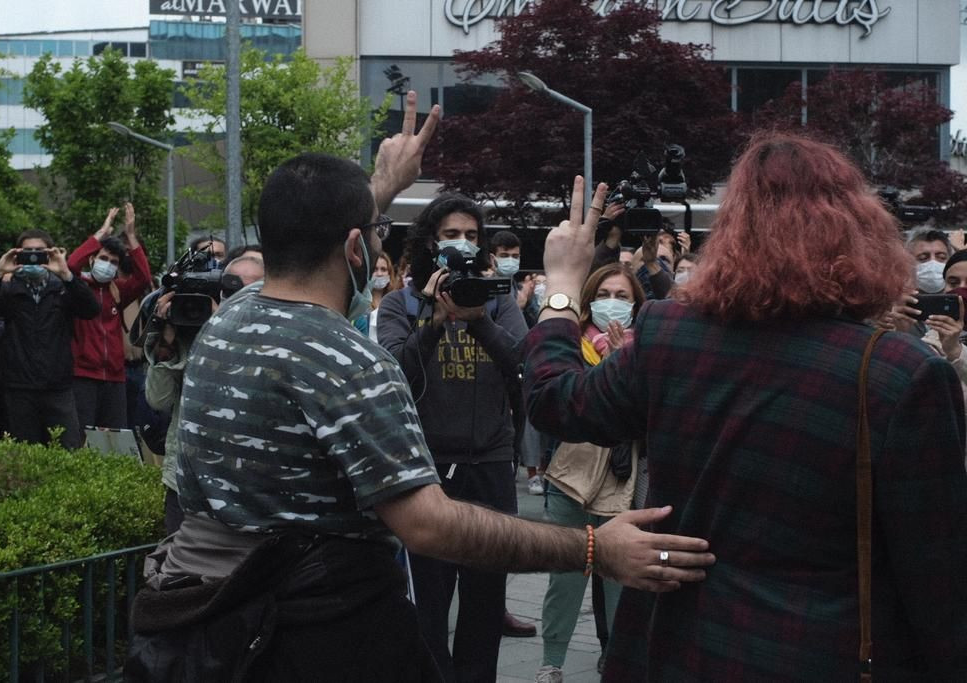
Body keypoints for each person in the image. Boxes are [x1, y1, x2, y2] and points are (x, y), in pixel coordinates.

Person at [125, 92, 715, 682]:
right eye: (373, 237)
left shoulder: (229, 321)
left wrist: (379, 185)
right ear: (357, 247)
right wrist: (592, 549)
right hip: (311, 637)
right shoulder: (350, 359)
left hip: (205, 621)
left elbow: (328, 238)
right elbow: (428, 524)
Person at [523, 133, 967, 681]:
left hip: (672, 649)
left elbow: (554, 399)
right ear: (859, 232)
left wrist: (562, 288)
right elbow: (938, 580)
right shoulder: (899, 373)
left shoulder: (667, 335)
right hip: (818, 652)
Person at [377, 192, 530, 681]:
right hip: (427, 470)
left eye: (470, 236)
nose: (462, 244)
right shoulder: (402, 304)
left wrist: (479, 320)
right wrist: (434, 321)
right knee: (429, 603)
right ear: (430, 242)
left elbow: (523, 365)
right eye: (450, 235)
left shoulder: (498, 299)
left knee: (486, 603)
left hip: (489, 462)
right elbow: (396, 373)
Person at [534, 262, 646, 683]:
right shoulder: (570, 347)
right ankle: (551, 663)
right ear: (588, 301)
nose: (612, 305)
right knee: (565, 577)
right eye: (604, 295)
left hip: (622, 480)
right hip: (571, 478)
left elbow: (646, 414)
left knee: (621, 579)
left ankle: (618, 662)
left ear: (637, 306)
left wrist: (624, 365)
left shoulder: (647, 352)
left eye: (622, 297)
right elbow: (559, 404)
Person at [143, 253, 265, 536]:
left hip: (247, 486)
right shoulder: (191, 330)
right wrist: (166, 341)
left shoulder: (276, 335)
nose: (237, 299)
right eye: (231, 291)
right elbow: (158, 400)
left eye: (249, 290)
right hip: (185, 481)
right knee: (180, 576)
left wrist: (221, 326)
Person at [0, 230, 100, 449]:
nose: (33, 257)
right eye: (27, 252)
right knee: (26, 453)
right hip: (19, 385)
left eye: (39, 252)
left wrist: (67, 274)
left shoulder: (62, 289)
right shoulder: (9, 290)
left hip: (58, 385)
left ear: (50, 254)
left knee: (68, 448)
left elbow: (91, 310)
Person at [67, 203, 153, 430]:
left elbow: (143, 279)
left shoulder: (118, 291)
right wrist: (100, 235)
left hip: (115, 377)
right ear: (93, 259)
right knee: (82, 436)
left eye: (114, 262)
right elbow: (71, 264)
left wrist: (131, 237)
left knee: (115, 438)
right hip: (83, 375)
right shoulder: (79, 288)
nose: (109, 265)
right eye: (104, 259)